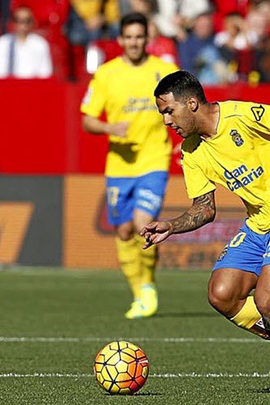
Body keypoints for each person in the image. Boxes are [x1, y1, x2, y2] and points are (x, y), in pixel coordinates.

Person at [142, 70, 270, 396]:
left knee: (268, 301)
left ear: (192, 103)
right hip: (257, 222)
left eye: (169, 110)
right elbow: (204, 209)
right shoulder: (191, 151)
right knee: (221, 294)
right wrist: (171, 225)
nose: (167, 120)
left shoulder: (242, 115)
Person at [80, 12, 177, 320]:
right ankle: (139, 291)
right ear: (120, 40)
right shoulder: (106, 75)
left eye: (140, 36)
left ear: (147, 39)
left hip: (154, 160)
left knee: (141, 224)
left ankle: (147, 286)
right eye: (129, 37)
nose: (135, 42)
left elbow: (187, 108)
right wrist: (110, 129)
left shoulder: (165, 71)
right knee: (123, 231)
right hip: (119, 166)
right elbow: (87, 119)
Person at [0, 6, 52, 79]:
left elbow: (45, 73)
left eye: (26, 21)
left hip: (32, 87)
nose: (22, 25)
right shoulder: (2, 43)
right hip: (7, 87)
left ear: (32, 22)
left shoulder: (40, 44)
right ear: (13, 22)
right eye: (18, 20)